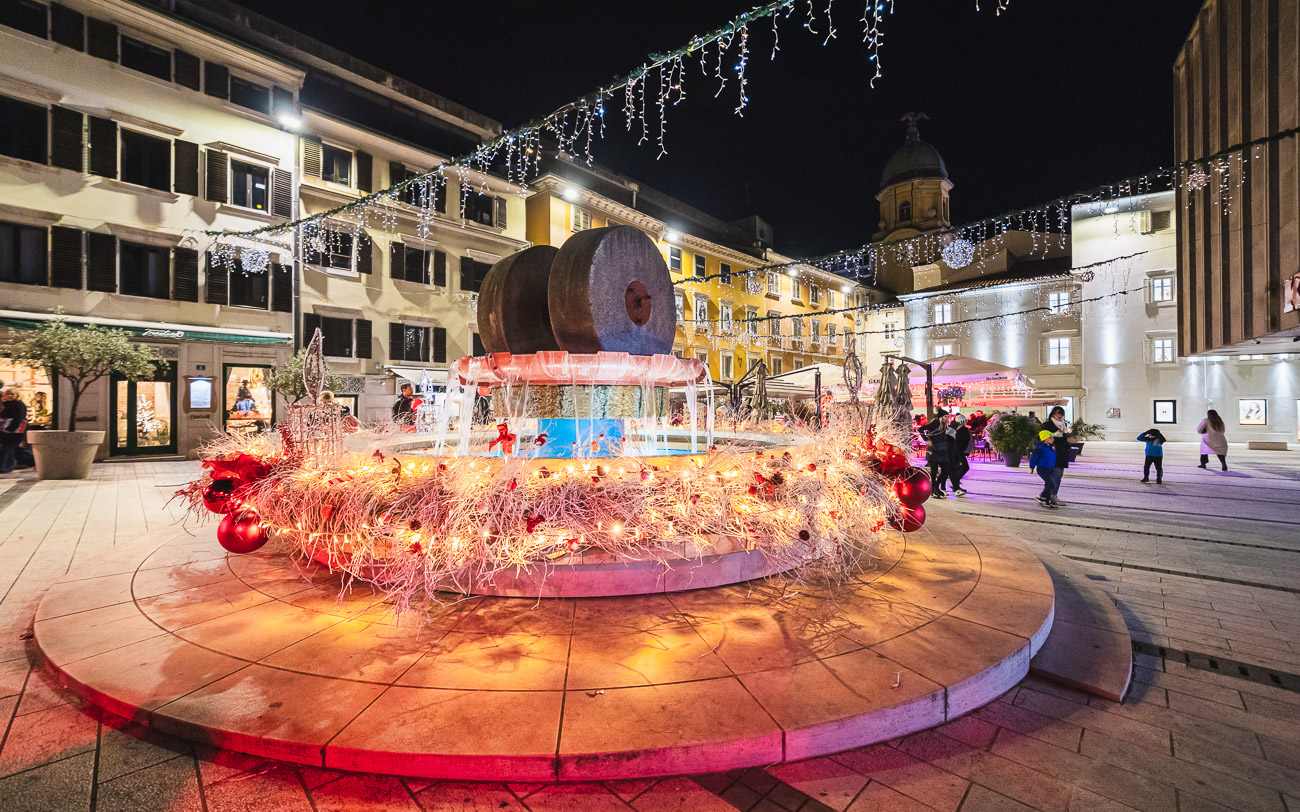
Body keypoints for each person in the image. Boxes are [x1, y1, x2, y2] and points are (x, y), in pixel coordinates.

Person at [1038, 406, 1071, 506]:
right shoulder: (1047, 425)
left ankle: (1050, 496)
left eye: (1062, 413)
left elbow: (1065, 439)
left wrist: (1069, 440)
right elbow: (1045, 438)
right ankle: (1049, 496)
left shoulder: (1064, 425)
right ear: (1053, 414)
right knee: (1054, 476)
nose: (1060, 415)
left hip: (1062, 454)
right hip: (1051, 454)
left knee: (1059, 476)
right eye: (1058, 413)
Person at [922, 408, 953, 499]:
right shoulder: (934, 424)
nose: (947, 418)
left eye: (948, 416)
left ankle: (936, 487)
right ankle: (933, 490)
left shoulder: (943, 425)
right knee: (934, 471)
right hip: (933, 451)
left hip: (942, 450)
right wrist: (927, 440)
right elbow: (921, 429)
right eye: (945, 416)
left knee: (946, 469)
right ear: (941, 417)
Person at [0, 389, 29, 474]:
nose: (9, 396)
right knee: (9, 449)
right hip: (6, 431)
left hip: (14, 431)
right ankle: (7, 466)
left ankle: (5, 467)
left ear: (16, 395)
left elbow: (19, 418)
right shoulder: (7, 404)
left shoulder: (19, 404)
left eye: (11, 394)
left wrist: (10, 429)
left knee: (8, 448)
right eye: (7, 394)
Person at [1028, 430, 1058, 509]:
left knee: (1048, 484)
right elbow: (1033, 458)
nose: (1052, 439)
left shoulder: (1052, 446)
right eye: (1050, 438)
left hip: (1050, 468)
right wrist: (1032, 467)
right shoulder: (1039, 448)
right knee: (1052, 484)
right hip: (1042, 468)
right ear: (1045, 439)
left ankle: (1046, 501)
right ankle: (1042, 496)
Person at [950, 413, 971, 496]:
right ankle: (955, 484)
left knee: (956, 468)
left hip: (956, 452)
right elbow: (961, 443)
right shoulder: (963, 430)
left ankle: (955, 484)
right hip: (958, 452)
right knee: (963, 467)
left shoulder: (957, 430)